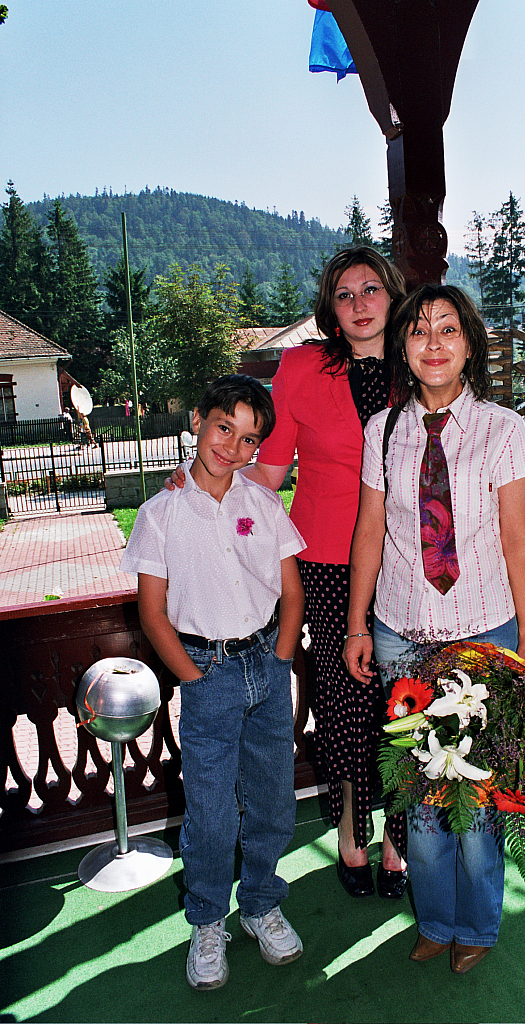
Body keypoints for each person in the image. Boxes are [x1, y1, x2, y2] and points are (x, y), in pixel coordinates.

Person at [166, 247, 409, 899]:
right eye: (344, 294)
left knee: (409, 701)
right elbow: (265, 477)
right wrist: (200, 475)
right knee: (348, 704)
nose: (359, 304)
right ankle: (354, 838)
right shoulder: (302, 368)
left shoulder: (423, 363)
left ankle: (400, 843)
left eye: (371, 289)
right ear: (331, 309)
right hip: (328, 561)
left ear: (393, 294)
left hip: (412, 564)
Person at [343, 284, 525, 973]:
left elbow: (516, 540)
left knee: (479, 799)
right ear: (403, 350)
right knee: (423, 800)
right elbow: (370, 531)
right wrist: (355, 626)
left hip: (483, 638)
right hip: (402, 635)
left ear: (469, 343)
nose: (433, 343)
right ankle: (435, 919)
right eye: (418, 332)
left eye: (447, 330)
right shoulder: (383, 431)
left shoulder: (503, 429)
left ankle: (479, 926)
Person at [120, 375, 306, 991]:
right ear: (199, 419)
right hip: (209, 675)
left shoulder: (263, 504)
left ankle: (259, 903)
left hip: (266, 669)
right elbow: (152, 613)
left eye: (249, 439)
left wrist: (280, 657)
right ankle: (206, 921)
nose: (232, 446)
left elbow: (290, 590)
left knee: (275, 798)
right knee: (211, 813)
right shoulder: (162, 511)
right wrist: (195, 679)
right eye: (224, 427)